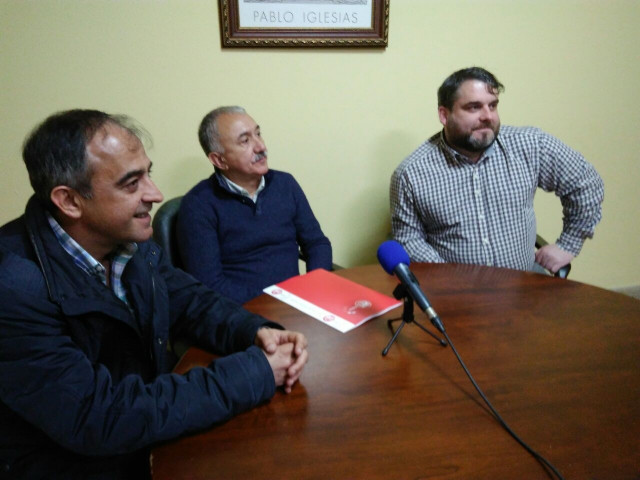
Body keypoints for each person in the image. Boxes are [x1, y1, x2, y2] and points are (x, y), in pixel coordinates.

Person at [0, 109, 308, 479]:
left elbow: (191, 301)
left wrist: (255, 331)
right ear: (69, 201)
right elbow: (98, 416)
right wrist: (256, 371)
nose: (155, 194)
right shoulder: (13, 285)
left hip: (145, 441)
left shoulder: (130, 243)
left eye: (149, 173)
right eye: (132, 184)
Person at [390, 67, 604, 274]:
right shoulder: (412, 174)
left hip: (524, 286)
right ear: (444, 115)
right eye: (474, 107)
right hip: (456, 295)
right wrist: (450, 282)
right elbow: (409, 239)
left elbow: (585, 182)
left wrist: (568, 244)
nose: (488, 116)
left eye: (492, 106)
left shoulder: (530, 145)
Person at [176, 106, 332, 304]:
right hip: (245, 316)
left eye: (258, 134)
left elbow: (316, 243)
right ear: (219, 159)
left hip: (298, 305)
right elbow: (210, 284)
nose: (260, 147)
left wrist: (315, 285)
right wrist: (274, 304)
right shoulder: (198, 205)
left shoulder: (285, 184)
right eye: (245, 140)